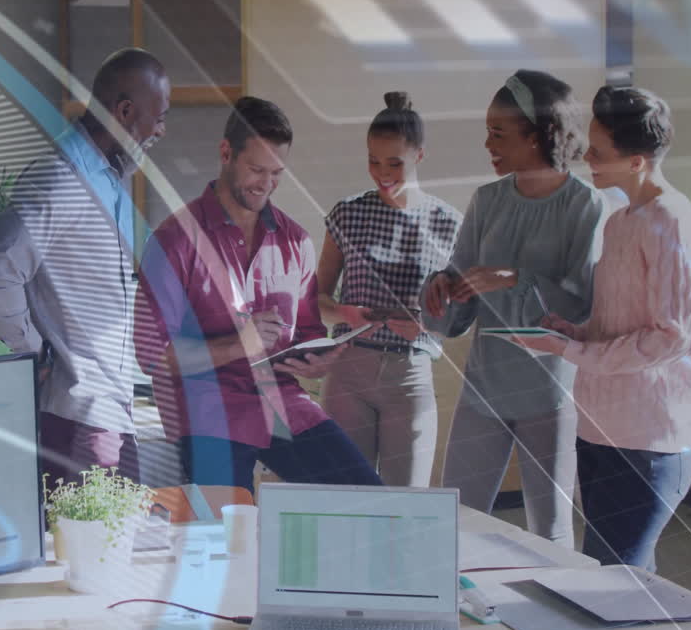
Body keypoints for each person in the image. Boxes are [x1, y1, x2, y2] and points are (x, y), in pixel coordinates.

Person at [134, 96, 381, 493]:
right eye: (256, 170)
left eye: (277, 173)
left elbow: (305, 335)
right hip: (207, 413)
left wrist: (317, 362)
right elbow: (152, 356)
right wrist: (238, 345)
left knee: (367, 497)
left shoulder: (295, 240)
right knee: (230, 535)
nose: (266, 184)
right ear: (226, 153)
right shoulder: (173, 241)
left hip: (282, 404)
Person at [516, 86, 691, 571]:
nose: (586, 158)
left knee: (619, 575)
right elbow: (622, 325)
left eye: (598, 152)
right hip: (601, 428)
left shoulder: (671, 220)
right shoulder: (621, 220)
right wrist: (574, 332)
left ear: (638, 161)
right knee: (607, 570)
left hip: (649, 438)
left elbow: (671, 336)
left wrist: (570, 351)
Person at [0, 47, 169, 487]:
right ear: (125, 110)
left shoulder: (103, 178)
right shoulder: (62, 178)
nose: (162, 128)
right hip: (83, 418)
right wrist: (36, 349)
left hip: (107, 413)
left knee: (112, 547)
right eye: (158, 115)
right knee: (96, 551)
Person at [421, 70, 605, 545]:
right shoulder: (486, 201)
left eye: (498, 134)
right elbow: (456, 310)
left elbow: (582, 307)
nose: (488, 144)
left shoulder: (586, 206)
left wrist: (516, 277)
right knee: (456, 524)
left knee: (550, 532)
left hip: (551, 396)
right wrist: (440, 290)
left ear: (538, 135)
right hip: (483, 388)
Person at [317, 92, 462, 487]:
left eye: (395, 163)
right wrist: (346, 313)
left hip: (410, 375)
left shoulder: (449, 224)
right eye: (373, 161)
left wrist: (428, 325)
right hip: (349, 369)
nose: (382, 173)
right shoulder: (348, 214)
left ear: (420, 156)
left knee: (407, 506)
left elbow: (460, 316)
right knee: (346, 499)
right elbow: (316, 300)